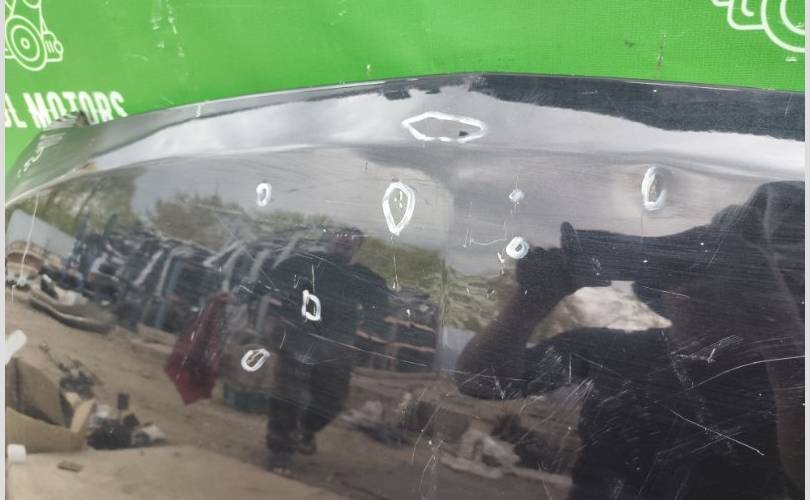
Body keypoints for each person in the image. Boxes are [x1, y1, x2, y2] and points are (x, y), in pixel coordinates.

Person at [456, 182, 804, 499]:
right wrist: (529, 304)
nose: (698, 288)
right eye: (687, 268)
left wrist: (779, 333)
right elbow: (479, 381)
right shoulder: (611, 351)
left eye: (733, 279)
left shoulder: (787, 381)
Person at [261, 227, 389, 474]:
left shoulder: (365, 278)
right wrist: (265, 312)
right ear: (329, 240)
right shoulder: (302, 263)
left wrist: (365, 338)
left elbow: (380, 310)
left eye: (350, 241)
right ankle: (280, 453)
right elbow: (269, 284)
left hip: (337, 345)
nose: (344, 242)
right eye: (339, 238)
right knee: (288, 395)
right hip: (297, 336)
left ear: (358, 247)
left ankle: (306, 430)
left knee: (331, 401)